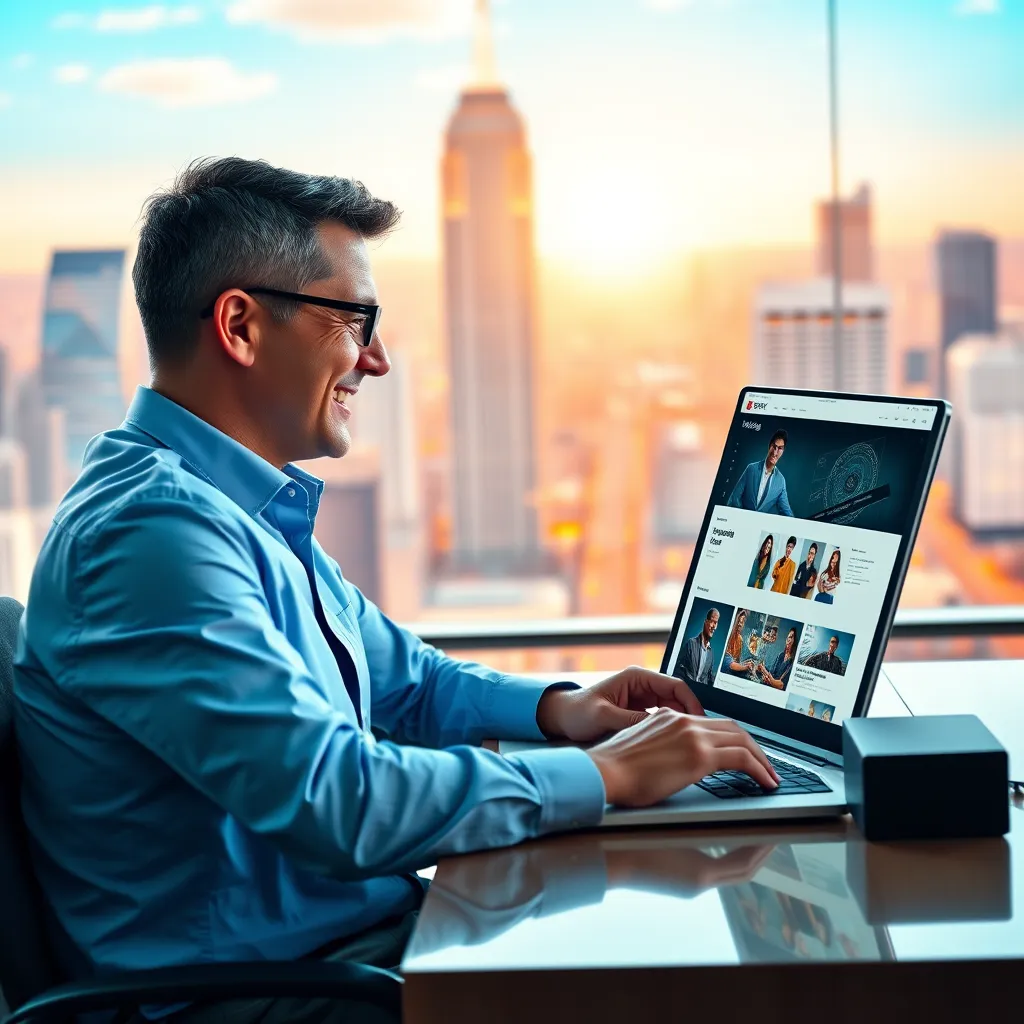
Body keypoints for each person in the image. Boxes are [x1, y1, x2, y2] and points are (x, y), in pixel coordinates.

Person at [12, 158, 779, 1023]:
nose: (374, 360)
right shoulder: (152, 535)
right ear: (241, 326)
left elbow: (401, 679)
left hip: (340, 952)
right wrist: (600, 776)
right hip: (259, 997)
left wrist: (562, 713)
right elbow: (337, 802)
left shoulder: (234, 505)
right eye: (356, 321)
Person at [727, 429, 794, 516]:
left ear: (783, 452)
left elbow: (786, 511)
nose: (775, 452)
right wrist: (741, 517)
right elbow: (735, 498)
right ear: (769, 446)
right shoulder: (751, 469)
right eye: (774, 446)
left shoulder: (781, 481)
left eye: (780, 448)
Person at [676, 607, 720, 688]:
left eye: (716, 623)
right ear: (706, 622)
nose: (714, 626)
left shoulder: (711, 654)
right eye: (712, 621)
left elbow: (709, 678)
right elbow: (678, 668)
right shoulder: (691, 643)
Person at [722, 608, 756, 677]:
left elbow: (736, 663)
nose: (740, 624)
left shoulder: (740, 639)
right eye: (738, 620)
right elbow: (730, 664)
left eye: (743, 621)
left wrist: (745, 663)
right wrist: (745, 667)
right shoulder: (726, 635)